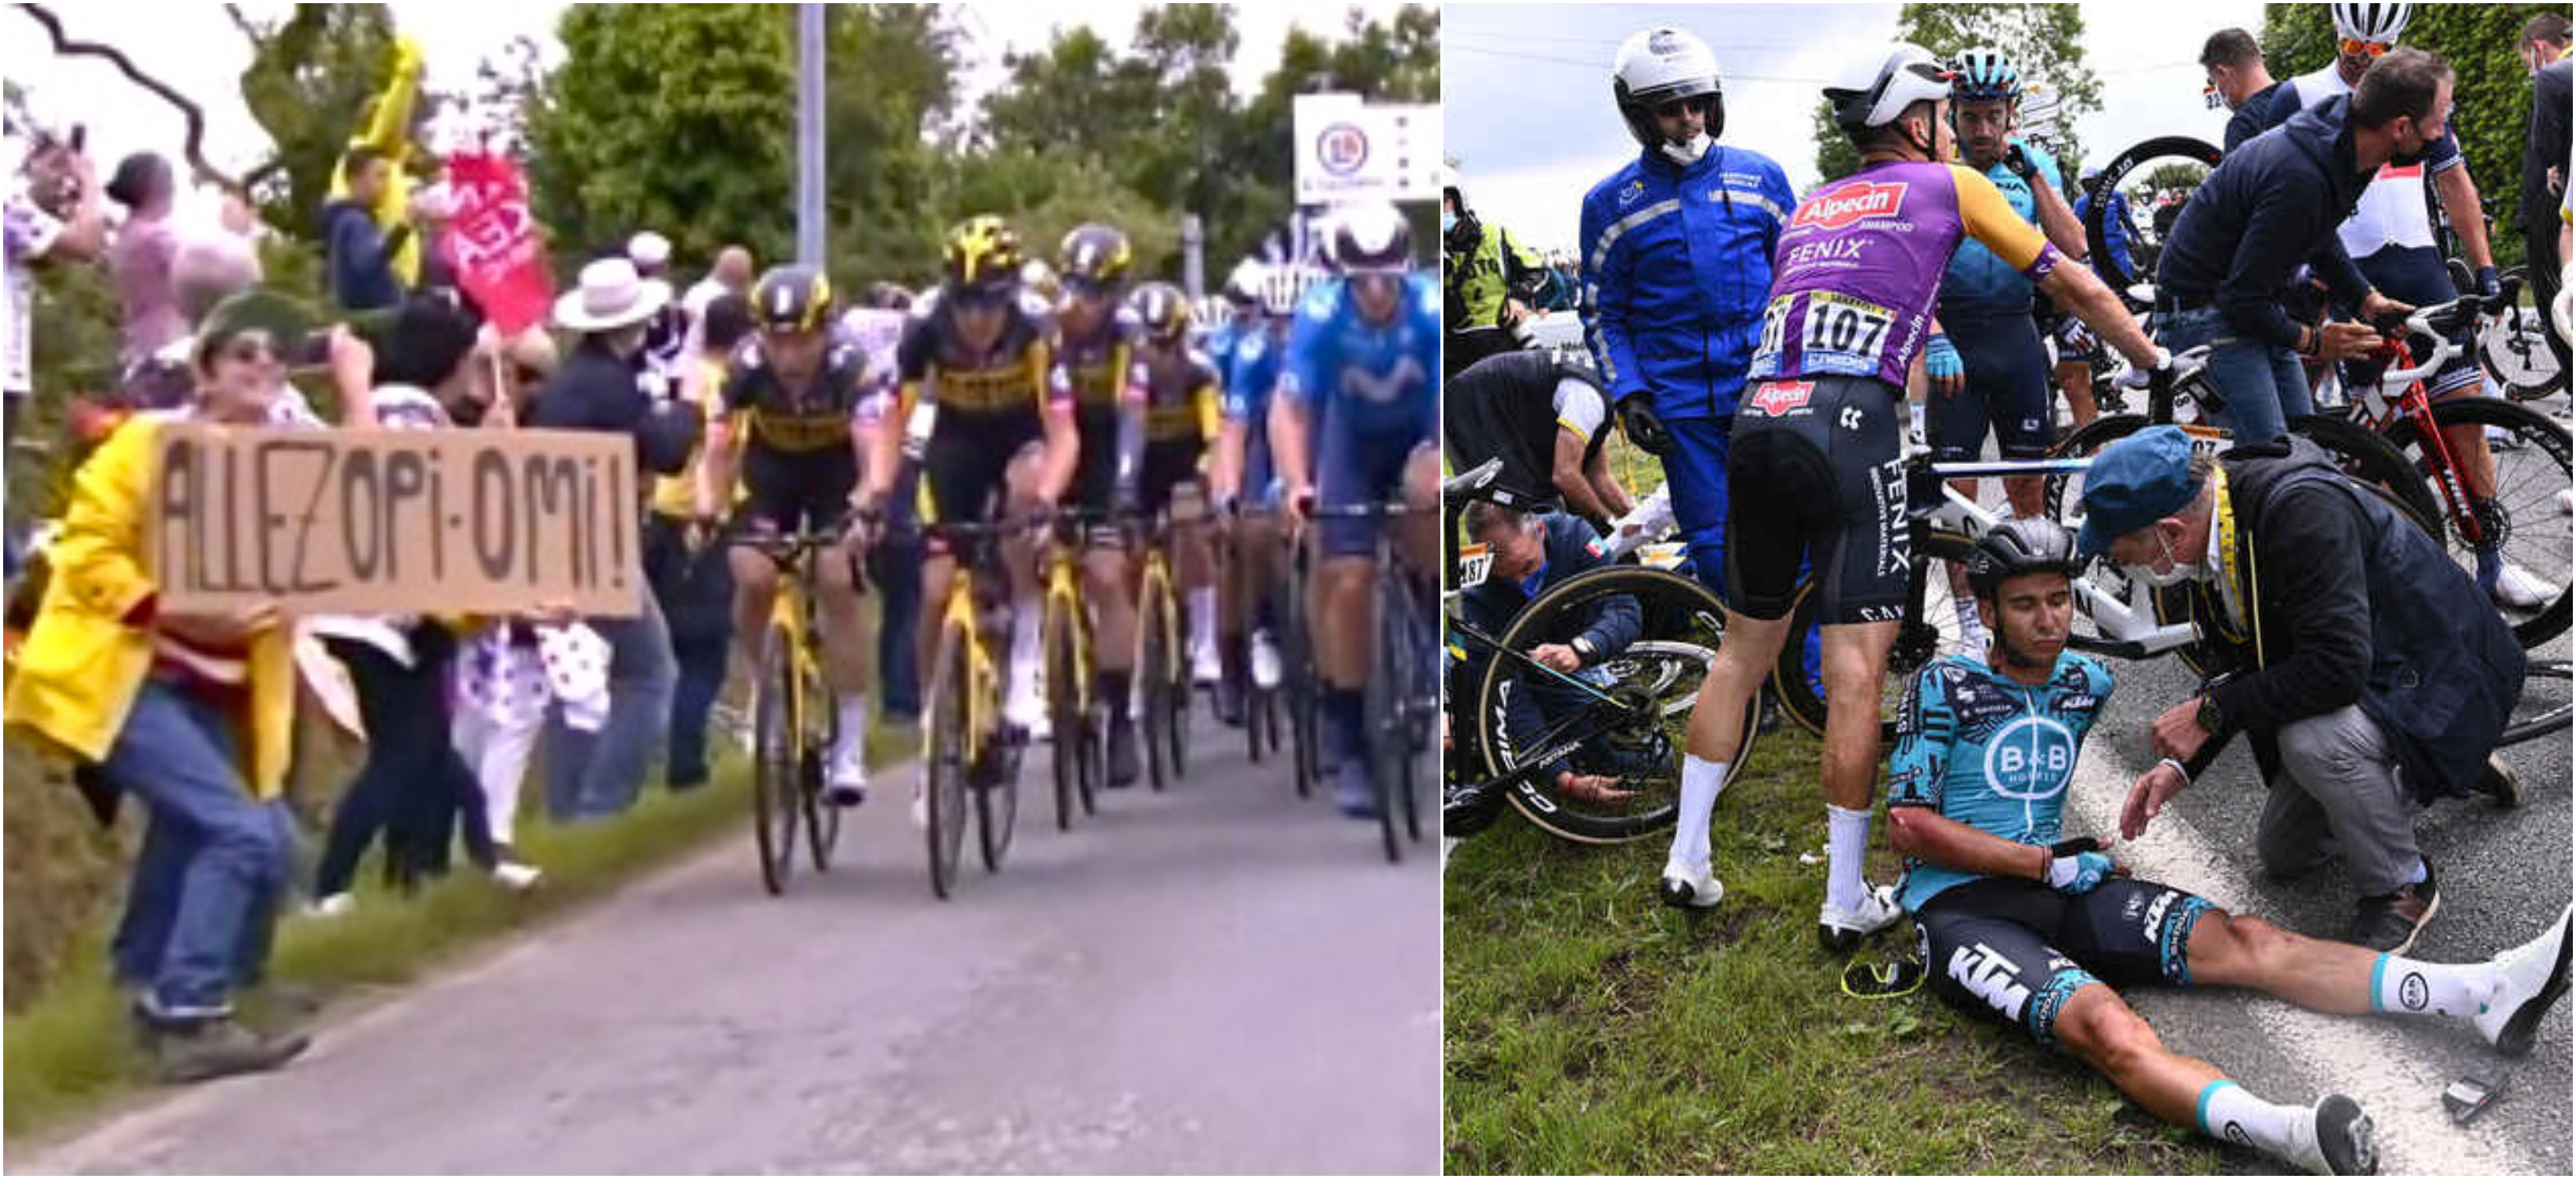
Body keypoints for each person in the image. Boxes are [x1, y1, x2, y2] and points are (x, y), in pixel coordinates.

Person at [1658, 43, 2168, 948]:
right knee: (1856, 675)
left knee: (1740, 653)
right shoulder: (1951, 186)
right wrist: (2154, 360)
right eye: (1940, 115)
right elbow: (2072, 279)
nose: (1949, 129)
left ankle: (1688, 858)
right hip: (1852, 425)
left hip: (1758, 416)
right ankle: (1844, 897)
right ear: (1919, 122)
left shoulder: (1812, 204)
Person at [1888, 514, 2574, 1177]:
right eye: (2026, 605)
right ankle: (2293, 1136)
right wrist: (2042, 860)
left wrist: (2079, 843)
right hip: (1962, 907)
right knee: (2103, 1023)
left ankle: (2483, 992)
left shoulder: (2085, 683)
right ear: (1986, 610)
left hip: (2061, 882)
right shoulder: (1944, 686)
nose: (2050, 620)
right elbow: (1910, 826)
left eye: (2061, 600)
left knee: (2248, 941)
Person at [3, 293, 320, 1081]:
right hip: (133, 677)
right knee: (240, 834)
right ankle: (187, 1013)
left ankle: (148, 988)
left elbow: (391, 528)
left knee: (230, 838)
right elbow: (86, 551)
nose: (263, 368)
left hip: (220, 688)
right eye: (245, 354)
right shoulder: (151, 442)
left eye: (275, 357)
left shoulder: (284, 462)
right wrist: (165, 604)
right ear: (207, 371)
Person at [2079, 425, 2524, 951]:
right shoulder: (2216, 528)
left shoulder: (2300, 514)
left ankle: (2404, 884)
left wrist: (2209, 712)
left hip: (2447, 678)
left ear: (2169, 531)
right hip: (2384, 674)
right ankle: (2442, 766)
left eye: (2120, 549)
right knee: (2285, 854)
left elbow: (2334, 671)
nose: (2118, 562)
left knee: (2316, 742)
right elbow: (2249, 662)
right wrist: (2182, 763)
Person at [2264, 21, 2528, 607]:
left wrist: (2484, 269)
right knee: (2382, 443)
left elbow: (2455, 181)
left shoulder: (2414, 91)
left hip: (2420, 266)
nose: (2365, 61)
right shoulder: (2299, 95)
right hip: (2349, 274)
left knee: (2464, 412)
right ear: (2337, 37)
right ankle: (2388, 575)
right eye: (2355, 49)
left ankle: (2492, 559)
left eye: (2377, 51)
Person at [309, 298, 540, 911]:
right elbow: (405, 499)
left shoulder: (399, 410)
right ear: (454, 361)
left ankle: (470, 861)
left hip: (378, 613)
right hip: (380, 618)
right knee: (403, 754)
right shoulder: (409, 414)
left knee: (432, 747)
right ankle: (330, 886)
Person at [855, 216, 1079, 827]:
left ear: (1009, 296)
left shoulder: (1035, 326)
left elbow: (1063, 431)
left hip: (1019, 436)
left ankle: (1026, 670)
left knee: (1026, 497)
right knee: (932, 592)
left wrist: (1049, 500)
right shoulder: (925, 326)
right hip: (952, 442)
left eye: (990, 303)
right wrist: (878, 491)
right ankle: (936, 722)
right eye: (967, 303)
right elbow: (891, 422)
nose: (978, 318)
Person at [1578, 25, 1798, 602]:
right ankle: (1754, 674)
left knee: (1789, 530)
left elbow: (1801, 280)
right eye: (1671, 109)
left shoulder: (1763, 177)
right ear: (1639, 116)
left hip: (1766, 388)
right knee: (1714, 544)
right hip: (1680, 407)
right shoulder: (1607, 205)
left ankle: (1809, 679)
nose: (1689, 119)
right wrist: (1630, 394)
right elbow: (1604, 314)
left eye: (1697, 104)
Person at [2154, 51, 2423, 447]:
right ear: (2401, 127)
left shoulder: (2347, 149)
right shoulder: (2303, 174)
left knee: (2306, 450)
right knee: (2273, 464)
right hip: (2207, 311)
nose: (2443, 127)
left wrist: (2366, 299)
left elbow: (2318, 232)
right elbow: (2241, 298)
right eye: (2440, 114)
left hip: (2248, 304)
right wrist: (2315, 342)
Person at [523, 258, 697, 822]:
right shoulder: (613, 386)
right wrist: (687, 411)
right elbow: (665, 452)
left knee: (574, 681)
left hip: (550, 539)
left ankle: (565, 809)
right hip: (598, 545)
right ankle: (601, 806)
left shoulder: (569, 382)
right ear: (638, 322)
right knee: (650, 674)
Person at [1928, 47, 2087, 654]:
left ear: (2011, 113)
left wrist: (2037, 176)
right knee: (1957, 493)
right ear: (1954, 115)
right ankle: (1971, 620)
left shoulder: (2034, 163)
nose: (1984, 130)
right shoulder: (1937, 169)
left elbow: (2072, 245)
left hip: (2017, 335)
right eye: (1971, 117)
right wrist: (1936, 336)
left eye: (1994, 115)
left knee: (2028, 487)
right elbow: (1918, 269)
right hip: (1959, 342)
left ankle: (2036, 610)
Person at [696, 268, 877, 804]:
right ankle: (767, 689)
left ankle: (848, 741)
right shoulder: (745, 366)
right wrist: (709, 504)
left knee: (834, 578)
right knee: (751, 573)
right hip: (773, 472)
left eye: (801, 340)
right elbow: (718, 446)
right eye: (777, 340)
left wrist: (866, 504)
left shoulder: (851, 366)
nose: (789, 356)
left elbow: (871, 450)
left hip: (835, 476)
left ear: (825, 331)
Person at [1045, 222, 1155, 779]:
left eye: (1098, 293)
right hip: (1054, 444)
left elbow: (1134, 416)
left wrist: (1124, 489)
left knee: (1109, 577)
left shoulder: (1128, 333)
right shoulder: (1043, 327)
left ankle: (1121, 717)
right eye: (1076, 289)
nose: (1084, 304)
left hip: (1110, 446)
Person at [1454, 500, 1645, 804]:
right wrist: (1561, 777)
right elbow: (1507, 696)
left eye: (1527, 566)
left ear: (1540, 530)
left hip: (1581, 657)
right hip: (1530, 681)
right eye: (1505, 575)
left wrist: (1581, 649)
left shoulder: (1574, 535)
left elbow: (1625, 609)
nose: (1520, 581)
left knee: (1650, 760)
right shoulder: (1474, 588)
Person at [650, 292, 750, 790]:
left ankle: (666, 753)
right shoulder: (724, 385)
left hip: (665, 512)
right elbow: (717, 444)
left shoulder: (688, 373)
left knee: (671, 647)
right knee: (704, 651)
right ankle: (685, 767)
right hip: (699, 519)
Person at [1122, 280, 1225, 728]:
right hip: (1141, 469)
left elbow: (1214, 438)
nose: (1158, 353)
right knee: (1128, 555)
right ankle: (1137, 649)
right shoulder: (1127, 375)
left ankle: (1204, 644)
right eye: (1148, 343)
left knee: (1191, 532)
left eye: (1166, 342)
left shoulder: (1199, 372)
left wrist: (1208, 478)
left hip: (1185, 462)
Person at [1209, 262, 1301, 726]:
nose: (1283, 331)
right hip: (1261, 443)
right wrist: (1226, 488)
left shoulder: (1324, 345)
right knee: (1248, 534)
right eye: (1275, 321)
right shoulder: (1248, 350)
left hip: (1318, 438)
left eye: (1293, 320)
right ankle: (1248, 643)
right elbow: (1233, 430)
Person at [1441, 348, 1629, 530]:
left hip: (1507, 405)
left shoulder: (1598, 396)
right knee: (1516, 503)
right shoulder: (1590, 401)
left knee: (1544, 512)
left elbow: (1599, 476)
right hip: (1474, 402)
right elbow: (1565, 475)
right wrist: (1607, 524)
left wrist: (1634, 520)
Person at [1442, 166, 1547, 380]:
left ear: (1460, 201)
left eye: (1443, 202)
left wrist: (1517, 297)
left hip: (1501, 338)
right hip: (1453, 352)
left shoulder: (1494, 235)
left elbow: (1537, 270)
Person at [2522, 13, 2572, 383]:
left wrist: (2554, 165)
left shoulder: (2554, 78)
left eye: (2528, 63)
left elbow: (2546, 149)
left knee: (2558, 302)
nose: (2529, 73)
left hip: (2557, 202)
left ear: (2539, 49)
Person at [104, 152, 188, 369]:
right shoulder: (159, 238)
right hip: (170, 348)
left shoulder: (127, 234)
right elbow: (212, 277)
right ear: (160, 187)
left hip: (139, 346)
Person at [320, 146, 413, 313]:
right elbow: (370, 263)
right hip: (375, 323)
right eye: (380, 176)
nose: (386, 185)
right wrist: (404, 226)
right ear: (355, 180)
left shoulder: (348, 220)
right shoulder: (354, 221)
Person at [2201, 28, 2285, 154]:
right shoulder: (2302, 95)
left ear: (2223, 72)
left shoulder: (2243, 125)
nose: (2219, 90)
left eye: (2214, 82)